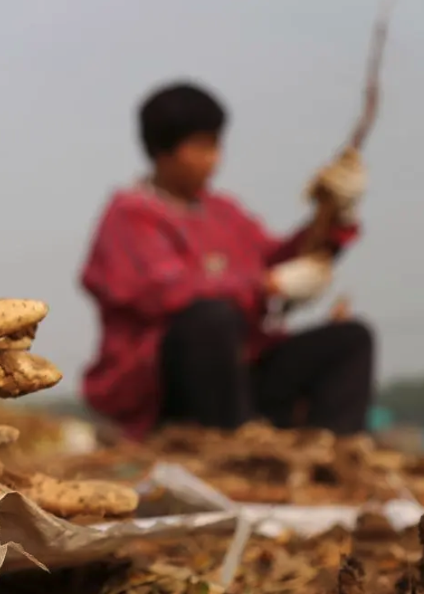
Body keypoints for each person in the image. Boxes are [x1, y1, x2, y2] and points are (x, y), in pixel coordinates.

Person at [78, 81, 374, 441]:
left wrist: (334, 216)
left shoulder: (223, 213)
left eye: (216, 145)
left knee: (351, 340)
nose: (214, 159)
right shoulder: (128, 215)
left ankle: (332, 456)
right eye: (201, 147)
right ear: (163, 152)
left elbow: (277, 258)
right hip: (165, 388)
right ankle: (232, 448)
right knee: (210, 319)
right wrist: (267, 286)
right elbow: (166, 291)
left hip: (244, 372)